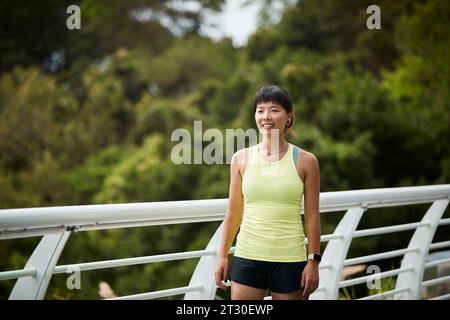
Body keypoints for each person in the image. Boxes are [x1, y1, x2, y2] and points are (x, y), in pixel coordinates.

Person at [214, 84, 321, 300]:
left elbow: (312, 214)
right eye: (260, 110)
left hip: (290, 259)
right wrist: (223, 255)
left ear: (288, 117)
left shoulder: (306, 161)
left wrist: (313, 261)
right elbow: (233, 211)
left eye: (274, 110)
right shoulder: (240, 159)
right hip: (247, 256)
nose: (266, 116)